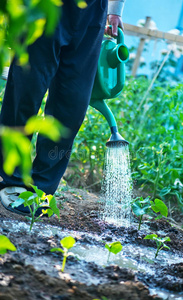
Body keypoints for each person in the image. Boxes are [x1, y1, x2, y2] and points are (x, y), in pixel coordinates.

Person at [0, 0, 126, 215]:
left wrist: (115, 11)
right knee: (26, 91)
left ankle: (42, 188)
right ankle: (12, 178)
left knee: (72, 103)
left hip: (93, 10)